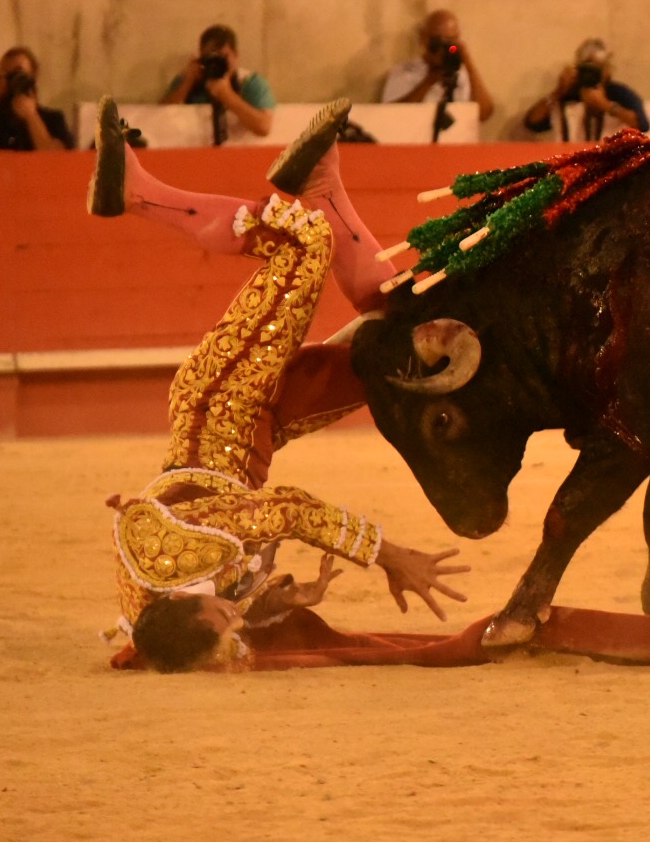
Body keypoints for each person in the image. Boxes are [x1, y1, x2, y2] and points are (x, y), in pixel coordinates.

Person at [87, 103, 471, 672]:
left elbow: (291, 511)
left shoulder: (180, 554)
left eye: (223, 619)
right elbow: (226, 586)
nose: (232, 620)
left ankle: (139, 194)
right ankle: (322, 181)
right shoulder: (160, 608)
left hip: (225, 400)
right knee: (391, 358)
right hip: (259, 433)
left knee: (304, 244)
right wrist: (276, 602)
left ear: (188, 608)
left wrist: (388, 557)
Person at [162, 24, 277, 140]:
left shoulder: (249, 82)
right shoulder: (190, 78)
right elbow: (159, 119)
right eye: (211, 58)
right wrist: (186, 85)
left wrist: (226, 95)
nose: (217, 64)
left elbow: (264, 127)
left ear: (236, 55)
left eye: (223, 57)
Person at [523, 38, 650, 141]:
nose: (591, 73)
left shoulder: (618, 93)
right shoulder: (567, 92)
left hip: (607, 161)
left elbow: (642, 125)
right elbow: (532, 123)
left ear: (608, 70)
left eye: (597, 68)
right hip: (569, 160)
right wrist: (558, 91)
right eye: (586, 68)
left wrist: (606, 106)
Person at [381, 10, 496, 123]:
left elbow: (484, 114)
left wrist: (468, 62)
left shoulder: (462, 73)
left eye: (451, 40)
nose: (444, 47)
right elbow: (391, 117)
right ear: (424, 38)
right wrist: (429, 80)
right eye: (438, 41)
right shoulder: (405, 71)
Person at [0, 47, 73, 151]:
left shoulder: (53, 119)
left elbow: (58, 160)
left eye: (18, 73)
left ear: (33, 75)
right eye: (7, 74)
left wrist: (31, 116)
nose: (12, 80)